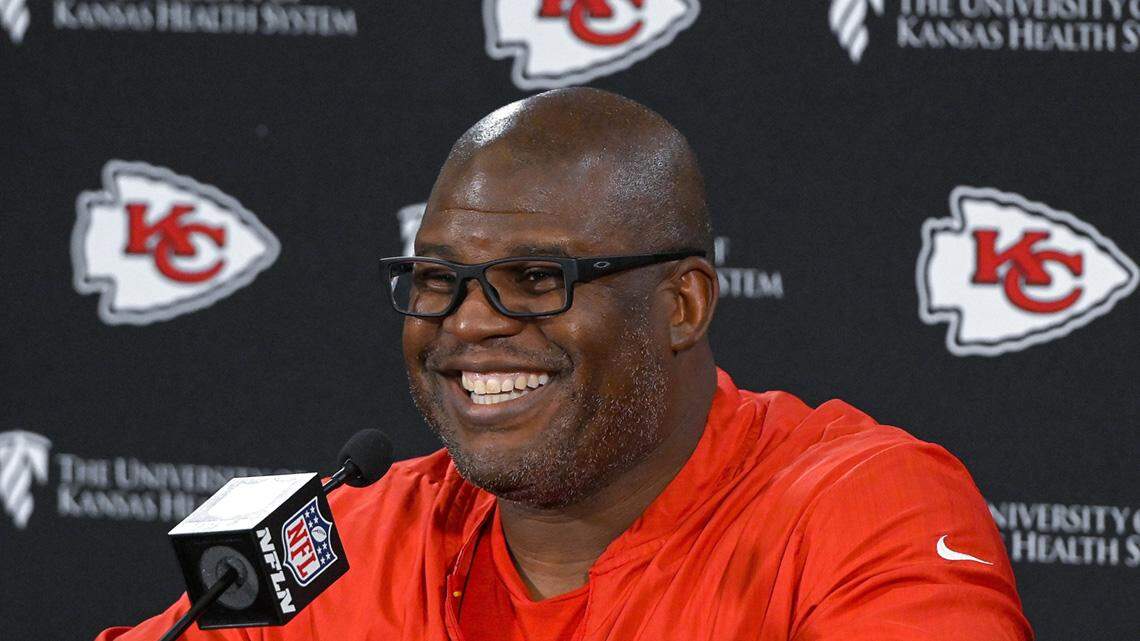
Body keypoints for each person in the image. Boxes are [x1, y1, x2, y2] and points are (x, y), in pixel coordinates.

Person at [98, 88, 1033, 641]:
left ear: (683, 304)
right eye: (439, 280)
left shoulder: (860, 506)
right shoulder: (345, 541)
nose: (469, 325)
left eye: (536, 278)